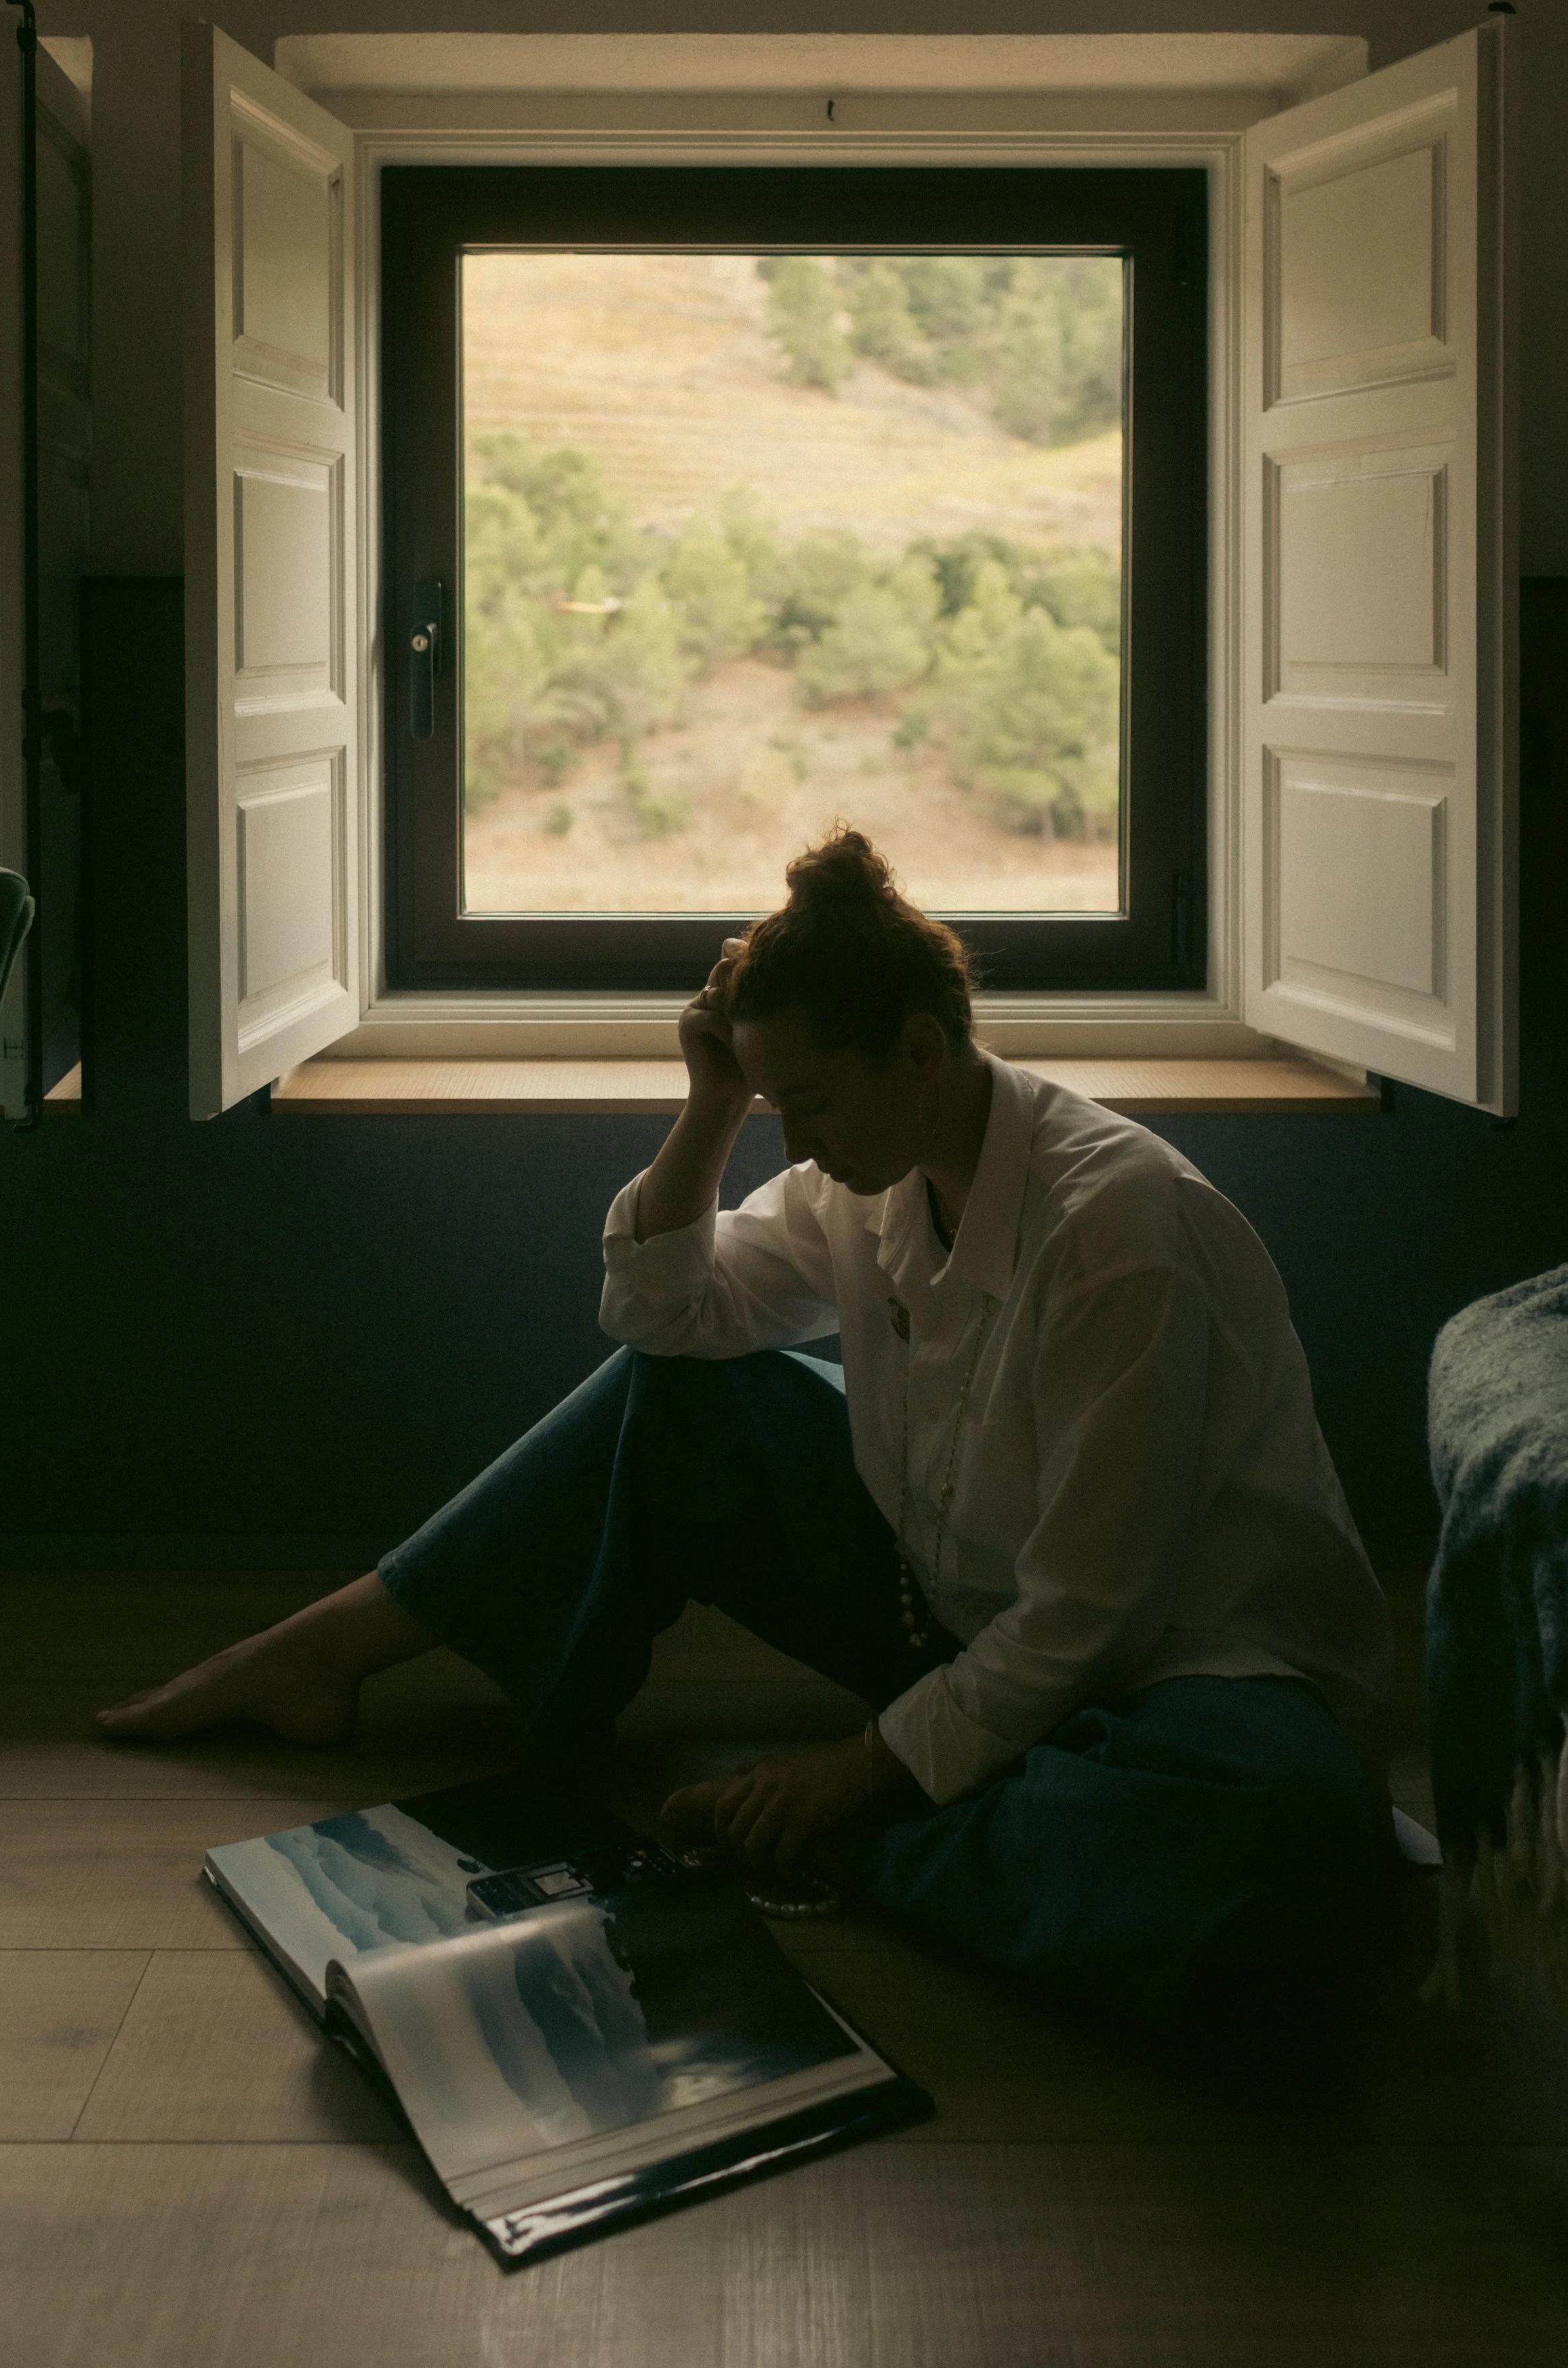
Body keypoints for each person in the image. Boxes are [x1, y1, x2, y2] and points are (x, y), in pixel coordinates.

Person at [100, 829, 1392, 2033]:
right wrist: (711, 1102)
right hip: (951, 1612)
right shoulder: (863, 1180)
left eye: (810, 1101)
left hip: (1184, 1680)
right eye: (775, 1104)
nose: (798, 1139)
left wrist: (850, 1771)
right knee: (681, 1401)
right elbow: (658, 1315)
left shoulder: (1118, 1230)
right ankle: (328, 1648)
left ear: (922, 1055)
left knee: (1283, 1835)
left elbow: (1095, 1616)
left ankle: (838, 1823)